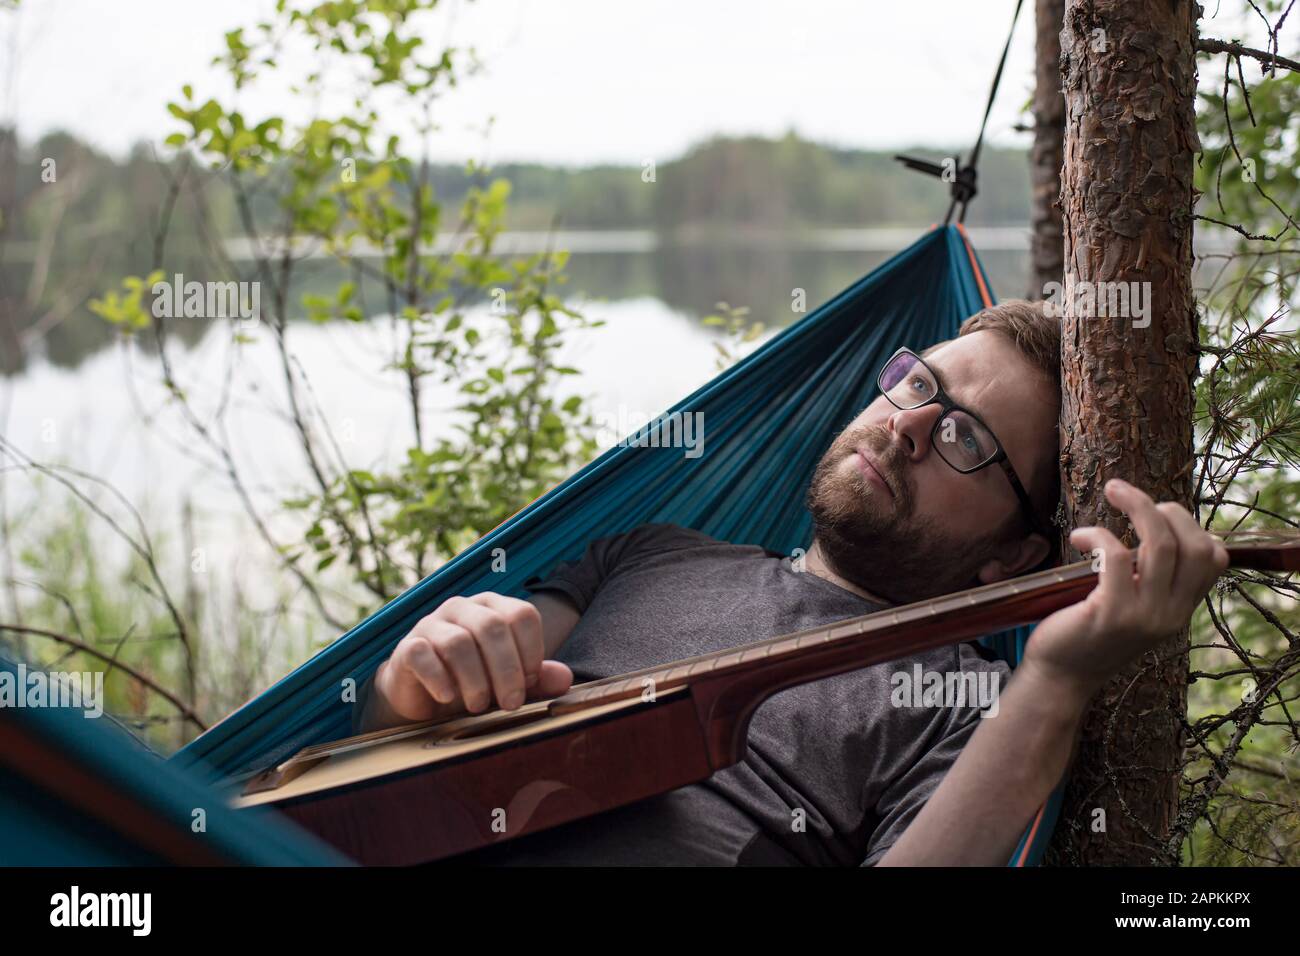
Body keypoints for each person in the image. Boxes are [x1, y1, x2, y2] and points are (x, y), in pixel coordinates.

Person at [355, 299, 1228, 865]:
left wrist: (1055, 685)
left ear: (1011, 560)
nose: (910, 428)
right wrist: (415, 674)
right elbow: (387, 741)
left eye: (968, 440)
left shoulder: (966, 705)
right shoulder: (652, 552)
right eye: (918, 384)